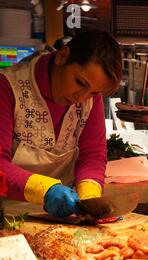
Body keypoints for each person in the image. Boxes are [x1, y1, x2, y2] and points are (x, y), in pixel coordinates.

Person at [0, 29, 122, 217]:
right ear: (62, 56)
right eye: (80, 82)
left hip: (63, 219)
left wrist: (89, 199)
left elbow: (92, 154)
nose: (80, 97)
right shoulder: (7, 87)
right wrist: (45, 189)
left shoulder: (89, 98)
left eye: (92, 92)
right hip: (7, 216)